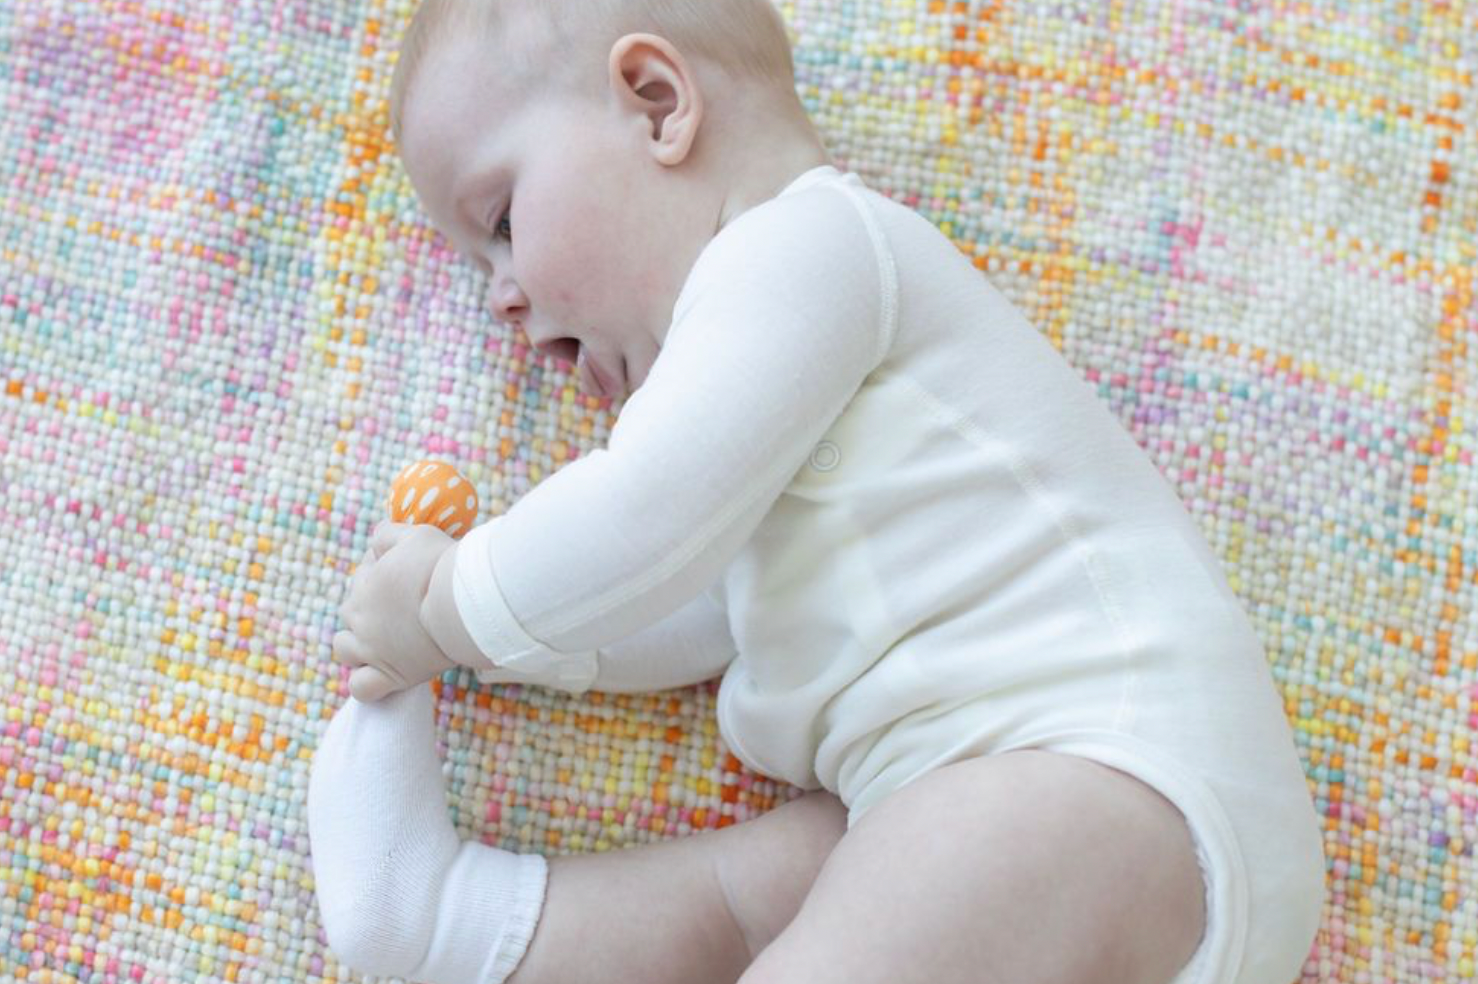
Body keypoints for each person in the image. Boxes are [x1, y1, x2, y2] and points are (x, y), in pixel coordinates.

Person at [308, 0, 1327, 981]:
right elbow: (683, 601)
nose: (501, 298)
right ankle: (452, 922)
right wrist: (483, 647)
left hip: (1095, 768)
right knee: (743, 904)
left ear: (657, 103)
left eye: (500, 221)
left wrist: (448, 605)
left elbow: (643, 518)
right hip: (971, 799)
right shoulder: (757, 423)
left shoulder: (805, 244)